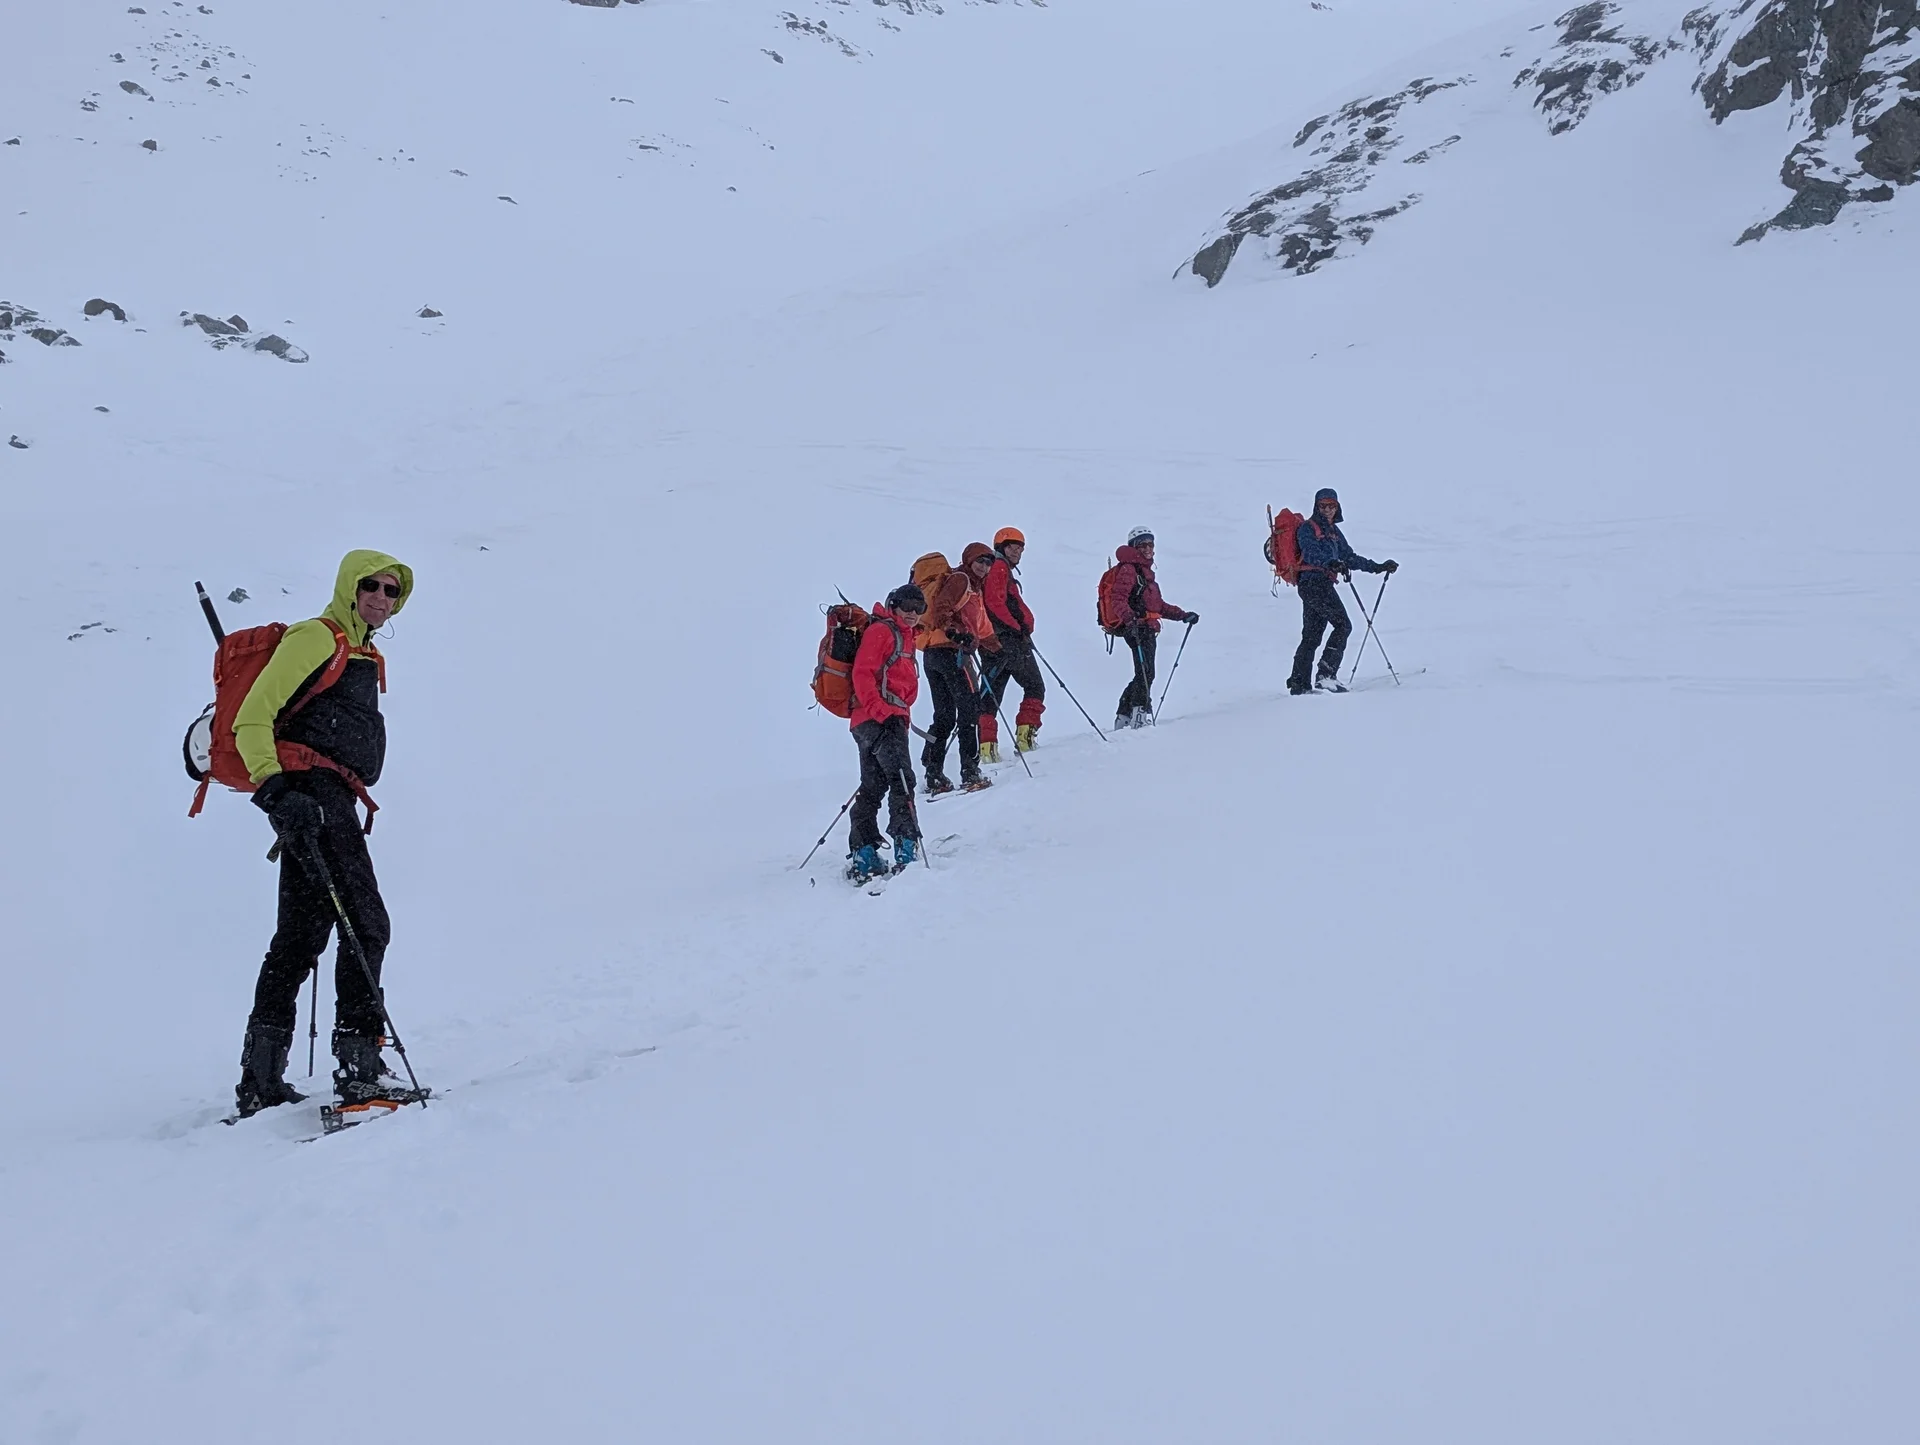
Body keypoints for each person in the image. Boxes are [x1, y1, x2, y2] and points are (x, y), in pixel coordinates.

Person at [232, 550, 413, 1118]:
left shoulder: (362, 651)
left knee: (301, 938)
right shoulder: (318, 637)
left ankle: (260, 1082)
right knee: (367, 925)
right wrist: (276, 791)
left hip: (313, 801)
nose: (381, 597)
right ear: (347, 586)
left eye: (392, 590)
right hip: (314, 798)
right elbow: (252, 717)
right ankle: (360, 1077)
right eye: (371, 585)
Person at [847, 584, 928, 883]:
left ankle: (863, 850)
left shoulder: (906, 637)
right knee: (902, 780)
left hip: (868, 719)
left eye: (920, 609)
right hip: (880, 717)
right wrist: (883, 712)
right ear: (894, 605)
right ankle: (906, 849)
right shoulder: (882, 632)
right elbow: (862, 673)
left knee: (873, 783)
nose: (913, 613)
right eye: (907, 606)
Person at [1289, 488, 1397, 694]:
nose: (1328, 509)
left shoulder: (1334, 533)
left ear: (1337, 507)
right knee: (1343, 625)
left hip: (1318, 584)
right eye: (1323, 505)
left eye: (1332, 505)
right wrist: (1331, 563)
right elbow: (1310, 553)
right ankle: (1326, 676)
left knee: (1312, 635)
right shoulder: (1307, 528)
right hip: (1313, 583)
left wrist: (1378, 567)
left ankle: (1298, 684)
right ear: (1316, 506)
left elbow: (1349, 557)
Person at [913, 546, 994, 795]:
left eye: (988, 563)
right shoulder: (961, 579)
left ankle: (934, 772)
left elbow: (977, 624)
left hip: (932, 654)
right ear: (968, 561)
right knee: (969, 710)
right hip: (952, 653)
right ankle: (970, 771)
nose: (984, 566)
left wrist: (993, 645)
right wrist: (955, 633)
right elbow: (942, 608)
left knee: (945, 714)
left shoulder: (971, 585)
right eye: (980, 561)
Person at [1101, 527, 1196, 729]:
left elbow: (1158, 606)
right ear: (1134, 547)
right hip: (1137, 628)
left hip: (1144, 627)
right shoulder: (1129, 569)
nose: (1147, 548)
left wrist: (1182, 615)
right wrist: (1130, 620)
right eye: (1142, 544)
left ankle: (1125, 715)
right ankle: (1138, 714)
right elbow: (1118, 599)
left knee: (1144, 672)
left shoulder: (1144, 573)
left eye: (1150, 544)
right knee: (1146, 673)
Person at [978, 526, 1045, 757]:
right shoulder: (999, 568)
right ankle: (1025, 740)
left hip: (990, 642)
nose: (1017, 552)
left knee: (990, 695)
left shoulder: (992, 568)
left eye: (1019, 548)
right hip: (1010, 642)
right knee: (1035, 686)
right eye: (1012, 547)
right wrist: (1019, 627)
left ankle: (987, 748)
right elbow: (995, 602)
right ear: (1001, 548)